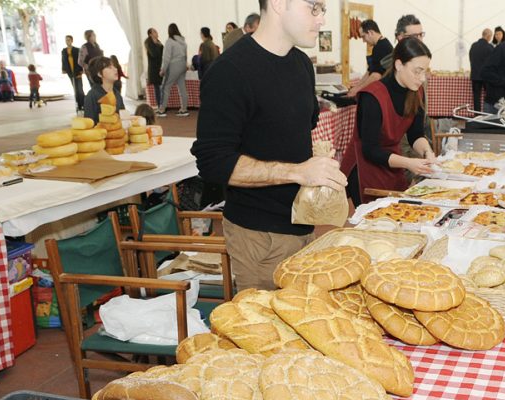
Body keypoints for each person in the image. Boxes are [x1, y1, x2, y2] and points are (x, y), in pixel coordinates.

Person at [192, 0, 346, 292]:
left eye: (323, 9)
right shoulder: (230, 71)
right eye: (314, 8)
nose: (321, 19)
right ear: (277, 3)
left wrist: (318, 161)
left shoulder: (301, 64)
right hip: (260, 236)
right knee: (267, 331)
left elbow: (296, 132)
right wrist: (298, 172)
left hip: (302, 226)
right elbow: (214, 163)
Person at [341, 38, 436, 207]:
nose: (422, 78)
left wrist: (428, 152)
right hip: (365, 168)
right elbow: (370, 150)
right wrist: (408, 163)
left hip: (392, 164)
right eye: (417, 71)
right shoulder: (372, 95)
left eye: (425, 72)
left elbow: (416, 135)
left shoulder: (416, 91)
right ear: (399, 65)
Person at [346, 20, 393, 96]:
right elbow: (370, 71)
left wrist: (358, 90)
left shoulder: (382, 47)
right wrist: (357, 87)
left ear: (371, 32)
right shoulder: (379, 45)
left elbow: (376, 76)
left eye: (363, 36)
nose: (364, 41)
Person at [82, 56, 125, 125]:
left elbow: (122, 117)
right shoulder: (92, 96)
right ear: (99, 74)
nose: (115, 69)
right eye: (109, 67)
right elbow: (89, 124)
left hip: (116, 133)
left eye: (114, 66)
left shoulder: (116, 93)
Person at [158, 23, 189, 118]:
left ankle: (162, 110)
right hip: (183, 65)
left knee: (165, 87)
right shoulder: (183, 41)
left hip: (173, 66)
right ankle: (184, 109)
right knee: (182, 87)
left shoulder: (169, 41)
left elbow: (166, 58)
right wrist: (185, 64)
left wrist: (163, 69)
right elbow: (186, 55)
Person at [469, 28, 495, 111]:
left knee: (476, 97)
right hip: (486, 76)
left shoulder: (473, 45)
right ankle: (487, 114)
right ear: (488, 36)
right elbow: (493, 63)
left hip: (475, 74)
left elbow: (471, 58)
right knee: (489, 96)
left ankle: (477, 116)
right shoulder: (490, 47)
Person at [61, 35, 84, 112]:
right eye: (66, 40)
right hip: (70, 72)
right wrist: (63, 69)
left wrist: (81, 70)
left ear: (72, 40)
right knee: (75, 89)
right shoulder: (64, 51)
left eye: (69, 40)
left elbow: (80, 61)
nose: (67, 41)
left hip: (77, 71)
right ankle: (78, 104)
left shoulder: (77, 50)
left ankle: (83, 104)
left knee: (80, 89)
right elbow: (63, 61)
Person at [145, 28, 163, 109]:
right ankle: (160, 105)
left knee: (161, 87)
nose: (157, 33)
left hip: (161, 67)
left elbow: (163, 52)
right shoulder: (148, 42)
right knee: (157, 88)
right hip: (154, 69)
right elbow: (154, 54)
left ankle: (162, 105)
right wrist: (156, 45)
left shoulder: (158, 42)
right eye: (154, 31)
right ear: (150, 34)